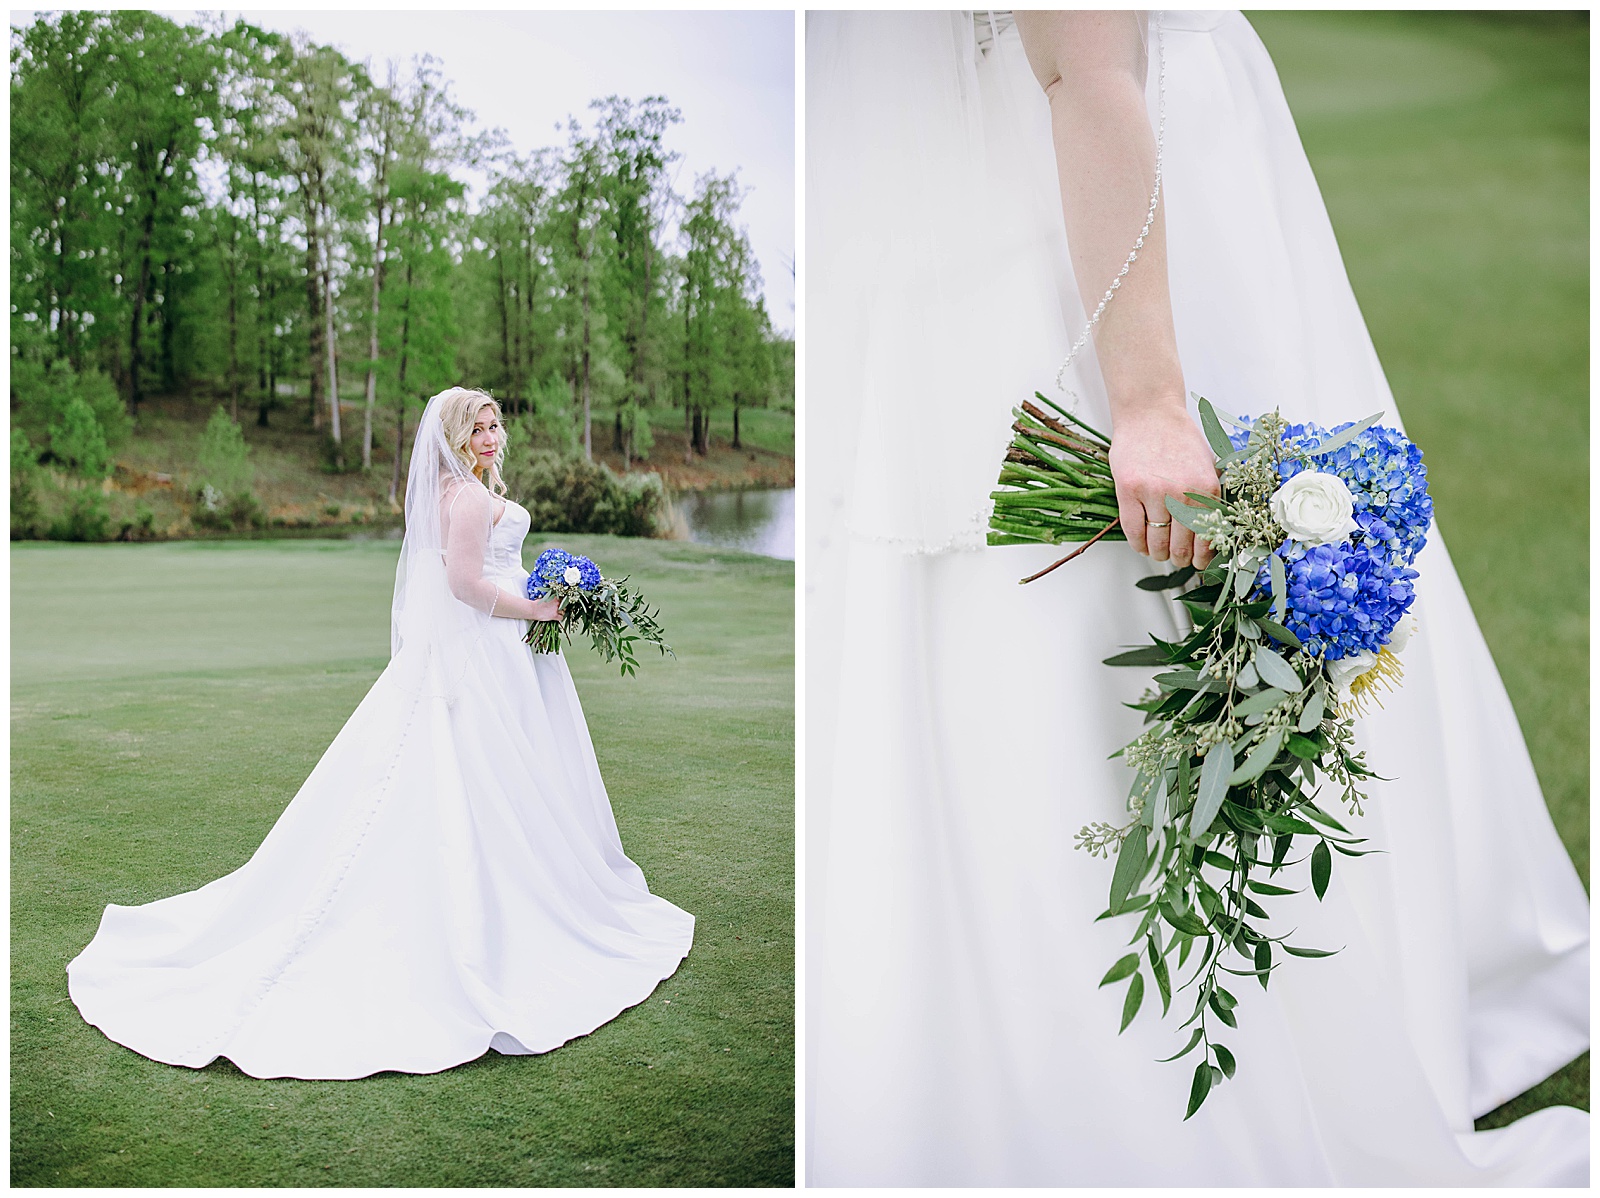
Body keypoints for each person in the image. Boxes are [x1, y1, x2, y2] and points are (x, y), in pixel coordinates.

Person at [806, 11, 1587, 1185]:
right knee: (1146, 596)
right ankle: (1230, 1062)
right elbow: (1082, 60)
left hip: (967, 212)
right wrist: (1152, 396)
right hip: (1112, 202)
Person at [69, 386, 694, 1080]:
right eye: (478, 428)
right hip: (485, 653)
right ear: (455, 437)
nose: (491, 436)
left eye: (495, 425)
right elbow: (462, 585)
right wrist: (539, 608)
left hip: (502, 657)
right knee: (474, 777)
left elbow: (484, 569)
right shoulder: (463, 500)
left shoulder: (471, 490)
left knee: (509, 781)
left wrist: (549, 596)